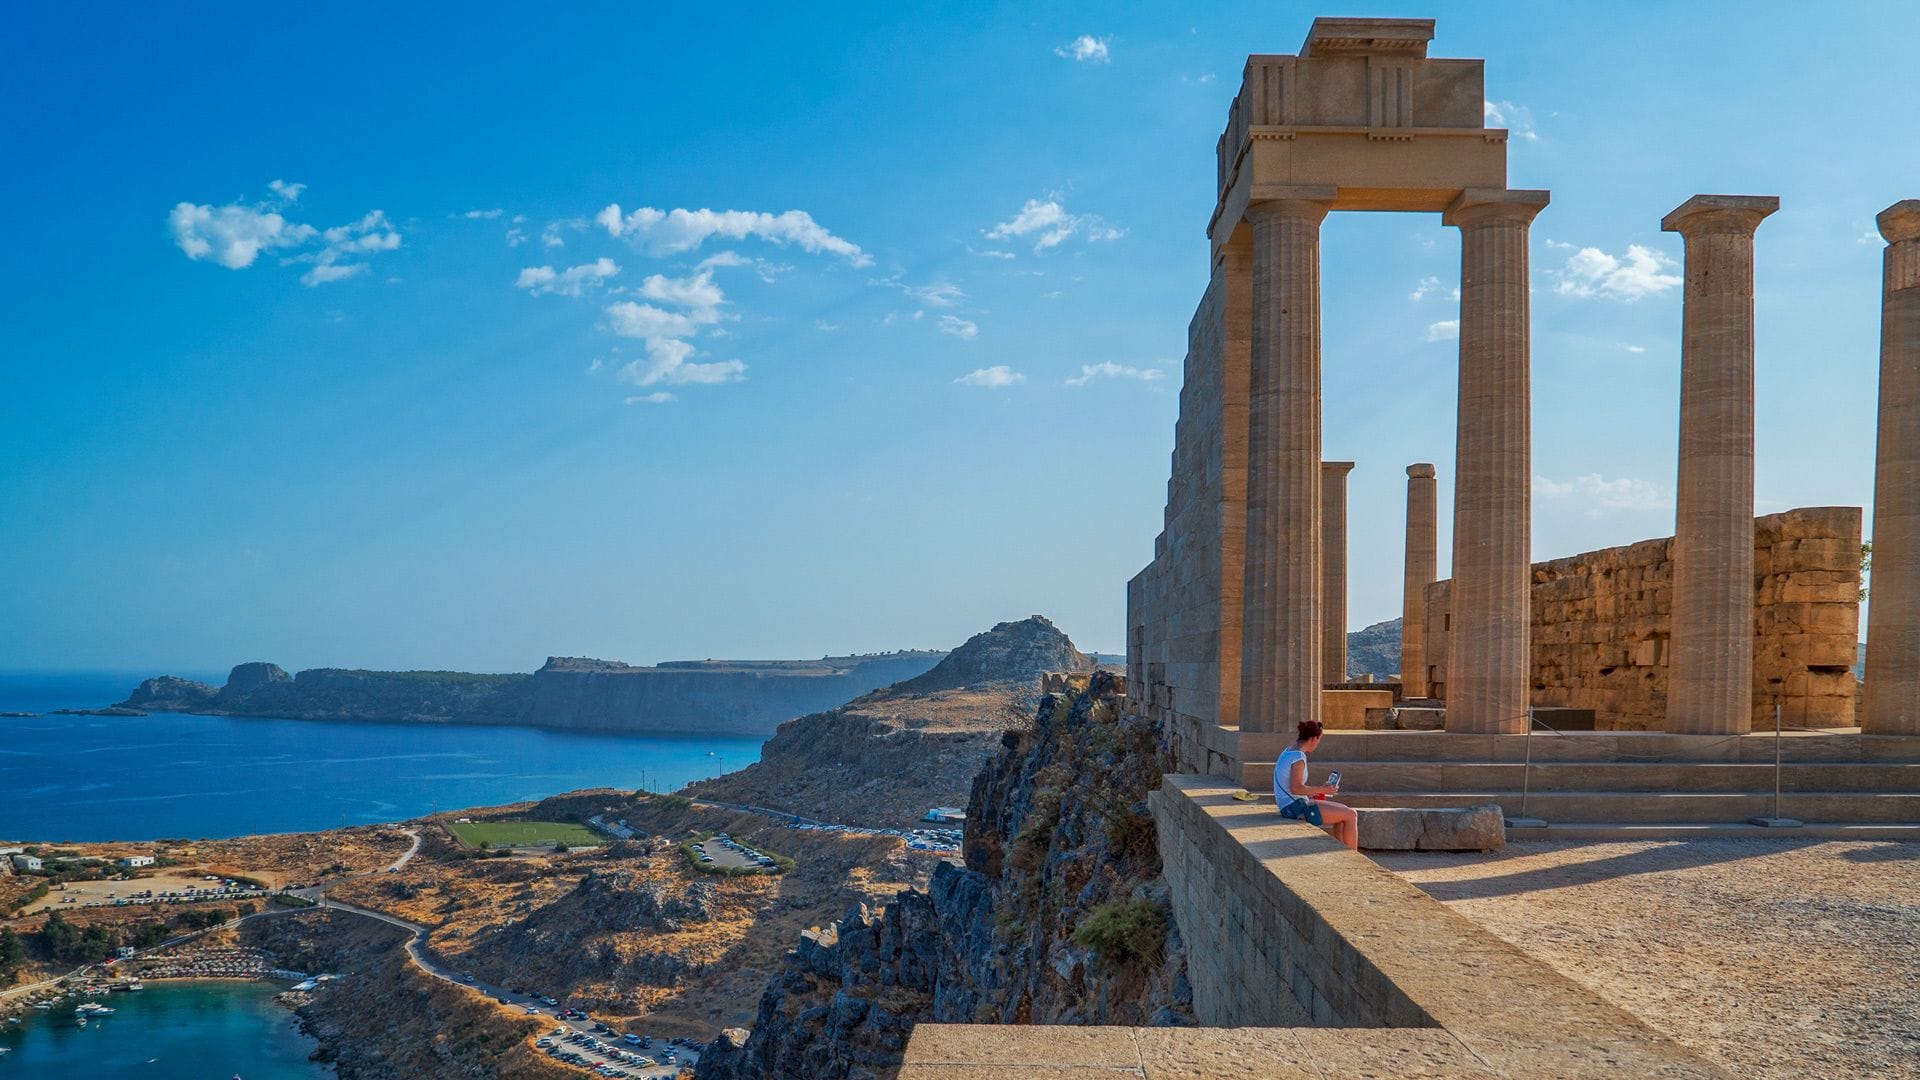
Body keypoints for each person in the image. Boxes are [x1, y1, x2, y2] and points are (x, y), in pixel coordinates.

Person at [1273, 719, 1358, 850]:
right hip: (1295, 808)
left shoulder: (1288, 751)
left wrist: (1321, 790)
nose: (1318, 743)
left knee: (1343, 811)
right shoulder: (1298, 757)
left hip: (1291, 805)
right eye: (1319, 739)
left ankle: (1343, 853)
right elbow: (1296, 788)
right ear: (1313, 738)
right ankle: (1354, 859)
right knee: (1351, 814)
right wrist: (1323, 789)